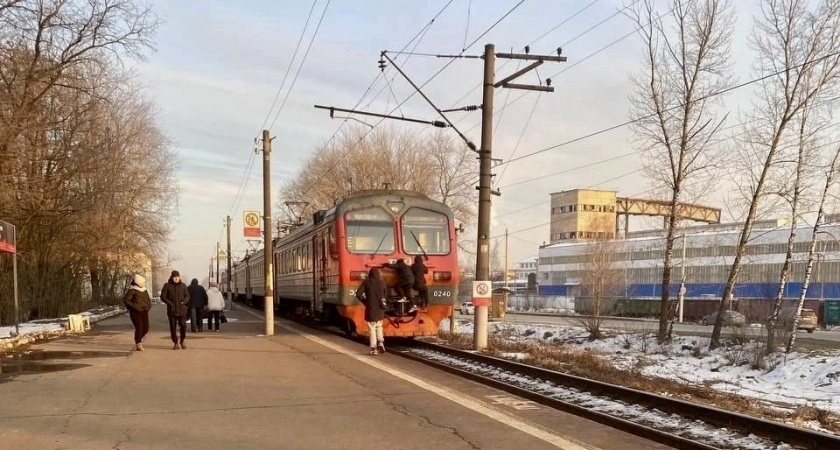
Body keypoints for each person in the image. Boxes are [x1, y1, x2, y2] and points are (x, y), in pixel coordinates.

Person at [355, 267, 387, 355]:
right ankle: (380, 342)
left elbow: (358, 294)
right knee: (379, 326)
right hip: (380, 309)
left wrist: (365, 301)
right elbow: (386, 296)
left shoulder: (367, 283)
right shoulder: (382, 283)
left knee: (372, 329)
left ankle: (374, 349)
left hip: (371, 308)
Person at [160, 270, 190, 350]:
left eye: (177, 277)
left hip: (182, 310)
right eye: (174, 277)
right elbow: (163, 297)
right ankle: (175, 342)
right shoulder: (167, 285)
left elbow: (187, 295)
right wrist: (170, 303)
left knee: (183, 326)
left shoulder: (183, 286)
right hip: (172, 310)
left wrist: (185, 301)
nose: (176, 278)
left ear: (179, 277)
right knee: (173, 327)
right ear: (172, 277)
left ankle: (182, 340)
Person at [123, 274, 151, 351]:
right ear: (138, 282)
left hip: (144, 311)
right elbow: (126, 300)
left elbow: (148, 300)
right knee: (139, 328)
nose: (144, 283)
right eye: (143, 282)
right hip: (135, 312)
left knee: (146, 328)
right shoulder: (132, 291)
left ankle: (139, 339)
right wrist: (135, 307)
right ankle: (138, 343)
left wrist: (148, 307)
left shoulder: (144, 290)